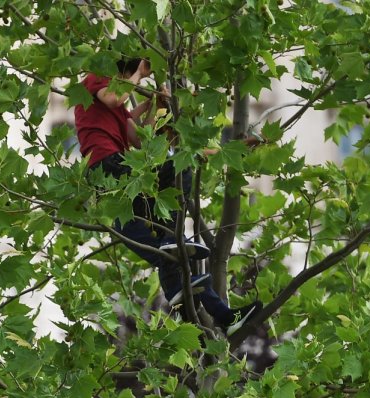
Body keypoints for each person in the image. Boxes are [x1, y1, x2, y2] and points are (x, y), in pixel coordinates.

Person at [74, 56, 262, 336]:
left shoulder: (119, 113)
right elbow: (115, 97)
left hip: (124, 190)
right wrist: (139, 73)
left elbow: (142, 140)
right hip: (108, 171)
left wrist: (154, 104)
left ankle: (219, 316)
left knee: (174, 256)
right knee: (179, 169)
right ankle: (173, 245)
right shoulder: (96, 78)